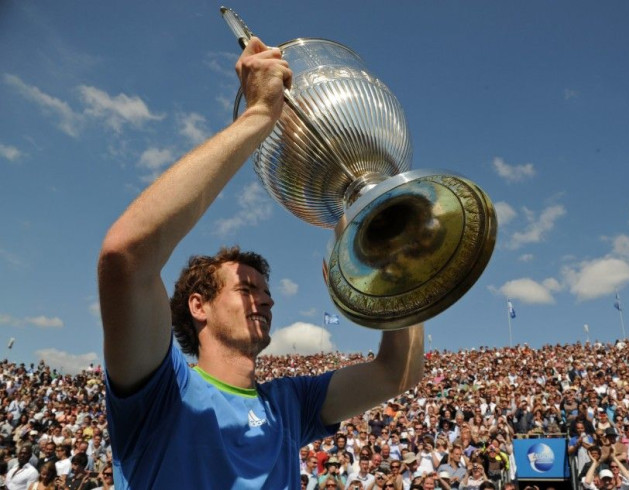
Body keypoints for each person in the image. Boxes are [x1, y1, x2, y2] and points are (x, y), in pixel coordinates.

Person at [97, 36, 424, 489]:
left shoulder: (289, 403)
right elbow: (125, 257)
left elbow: (397, 373)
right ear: (199, 306)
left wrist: (399, 258)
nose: (265, 302)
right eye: (247, 289)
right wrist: (259, 117)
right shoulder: (163, 389)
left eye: (267, 294)